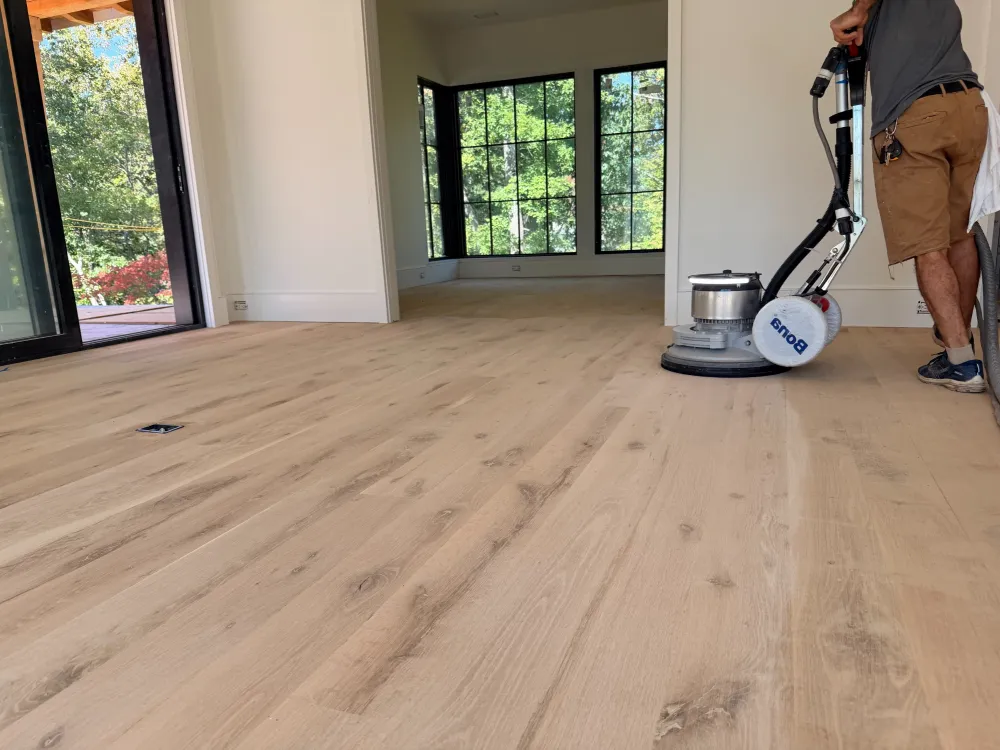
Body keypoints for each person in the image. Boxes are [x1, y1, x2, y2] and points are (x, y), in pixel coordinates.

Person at [832, 0, 988, 393]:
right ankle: (955, 340)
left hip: (915, 116)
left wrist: (856, 13)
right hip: (970, 107)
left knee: (928, 246)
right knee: (962, 234)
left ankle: (962, 364)